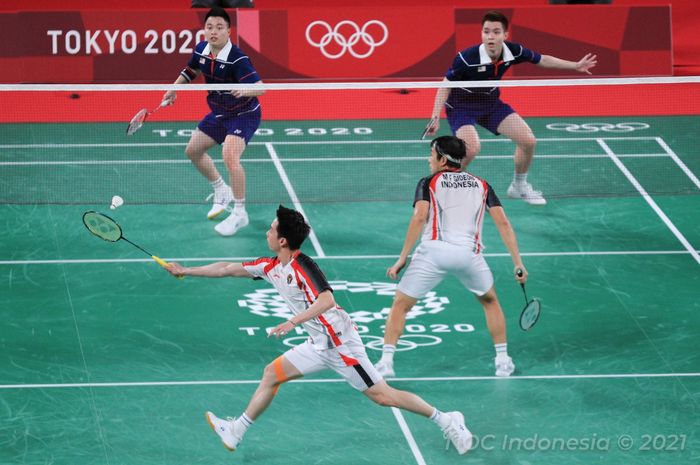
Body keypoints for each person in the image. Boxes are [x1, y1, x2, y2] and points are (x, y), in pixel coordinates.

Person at [164, 205, 474, 456]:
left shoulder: (303, 266)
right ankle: (236, 430)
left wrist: (292, 322)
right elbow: (226, 268)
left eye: (272, 229)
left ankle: (447, 420)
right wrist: (187, 270)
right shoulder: (272, 267)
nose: (268, 232)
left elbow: (327, 299)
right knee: (272, 374)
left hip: (342, 346)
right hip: (318, 343)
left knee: (382, 396)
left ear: (283, 240)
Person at [375, 136, 528, 378]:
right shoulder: (482, 184)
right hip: (469, 255)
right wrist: (518, 262)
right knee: (490, 302)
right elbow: (503, 223)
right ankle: (502, 361)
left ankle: (386, 362)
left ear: (443, 159)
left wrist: (402, 257)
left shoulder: (429, 182)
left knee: (401, 305)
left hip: (433, 253)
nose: (428, 159)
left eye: (431, 154)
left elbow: (419, 218)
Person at [424, 10, 597, 205]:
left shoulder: (513, 51)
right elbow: (445, 85)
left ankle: (519, 186)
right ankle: (441, 189)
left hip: (490, 103)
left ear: (505, 35)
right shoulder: (466, 58)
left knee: (528, 141)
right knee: (470, 149)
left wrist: (575, 66)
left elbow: (542, 59)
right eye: (486, 31)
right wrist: (435, 116)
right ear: (481, 33)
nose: (490, 36)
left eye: (496, 32)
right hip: (462, 107)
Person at [162, 7, 263, 236]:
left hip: (244, 114)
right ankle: (221, 190)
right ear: (204, 30)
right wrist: (173, 89)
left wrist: (244, 91)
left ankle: (239, 212)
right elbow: (191, 70)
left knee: (230, 155)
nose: (213, 32)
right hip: (220, 113)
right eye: (209, 27)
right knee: (193, 150)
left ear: (228, 31)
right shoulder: (202, 49)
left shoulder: (238, 59)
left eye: (219, 27)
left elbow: (260, 87)